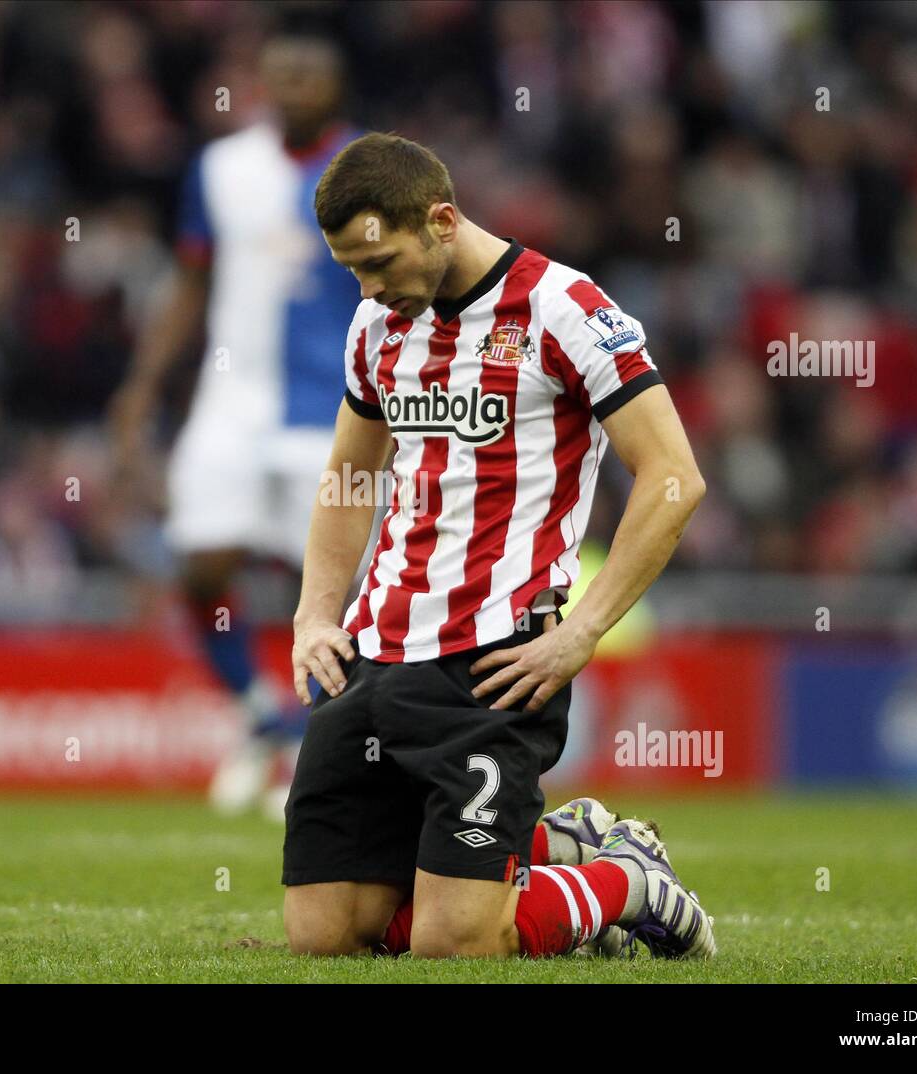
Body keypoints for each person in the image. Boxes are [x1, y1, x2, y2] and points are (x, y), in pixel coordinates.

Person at [282, 133, 715, 959]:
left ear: (442, 220)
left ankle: (629, 882)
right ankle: (557, 844)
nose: (369, 288)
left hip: (491, 662)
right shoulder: (376, 327)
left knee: (452, 946)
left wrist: (580, 632)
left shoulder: (566, 308)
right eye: (352, 271)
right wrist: (313, 615)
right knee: (328, 938)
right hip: (370, 657)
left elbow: (672, 477)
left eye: (380, 263)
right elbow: (346, 479)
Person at [109, 33, 361, 817]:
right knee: (201, 564)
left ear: (336, 84)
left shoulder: (370, 171)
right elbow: (190, 284)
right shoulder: (221, 170)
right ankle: (264, 716)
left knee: (328, 588)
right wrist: (143, 388)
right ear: (262, 83)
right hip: (232, 399)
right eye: (282, 73)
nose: (295, 87)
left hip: (337, 408)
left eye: (310, 74)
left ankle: (312, 752)